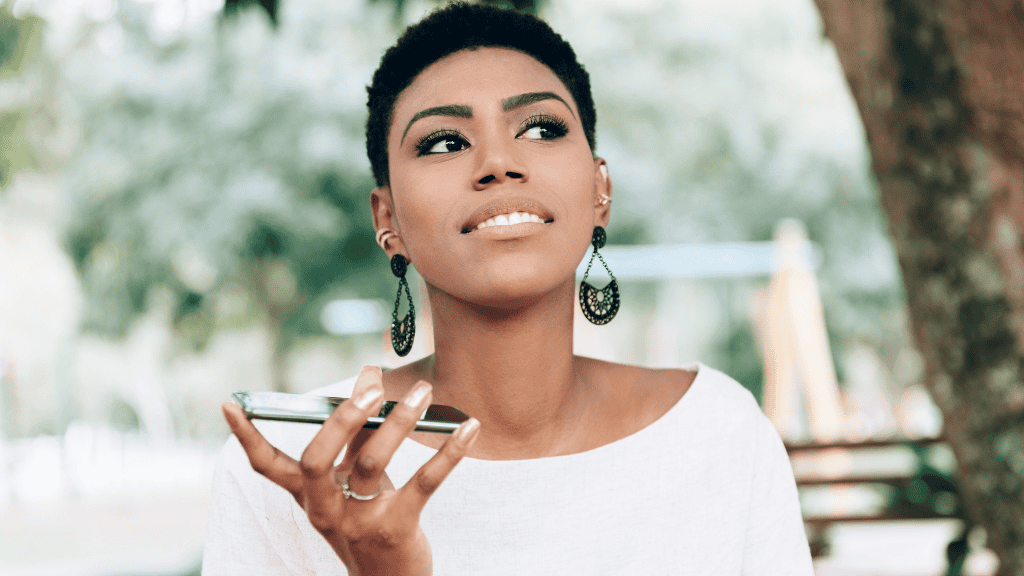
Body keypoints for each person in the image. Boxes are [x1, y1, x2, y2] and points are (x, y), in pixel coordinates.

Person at [203, 3, 814, 575]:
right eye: (444, 142)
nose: (498, 161)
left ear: (600, 189)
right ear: (386, 220)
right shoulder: (289, 468)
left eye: (542, 128)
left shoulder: (718, 434)